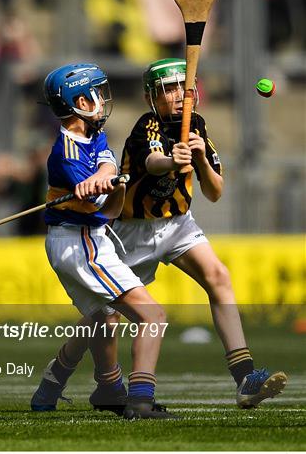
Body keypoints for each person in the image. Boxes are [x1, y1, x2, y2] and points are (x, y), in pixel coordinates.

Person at [31, 58, 287, 412]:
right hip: (134, 230)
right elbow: (152, 162)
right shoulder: (145, 127)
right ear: (152, 96)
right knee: (105, 314)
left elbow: (214, 192)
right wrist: (172, 160)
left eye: (183, 87)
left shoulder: (197, 125)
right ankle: (58, 375)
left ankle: (244, 377)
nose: (178, 96)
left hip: (179, 224)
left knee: (218, 276)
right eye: (168, 89)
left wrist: (198, 160)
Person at [31, 62, 176, 420]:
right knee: (152, 316)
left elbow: (108, 167)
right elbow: (109, 210)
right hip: (81, 243)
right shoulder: (65, 153)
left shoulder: (92, 133)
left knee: (103, 319)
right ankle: (140, 400)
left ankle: (74, 386)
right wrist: (103, 188)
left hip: (84, 238)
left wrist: (107, 177)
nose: (102, 100)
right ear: (80, 101)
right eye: (96, 94)